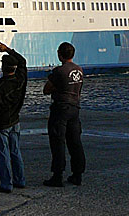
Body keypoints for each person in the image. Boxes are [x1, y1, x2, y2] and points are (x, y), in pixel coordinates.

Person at [0, 41, 28, 193]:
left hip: (0, 125)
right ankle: (20, 180)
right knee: (15, 152)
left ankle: (6, 184)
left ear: (3, 68)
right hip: (15, 121)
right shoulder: (21, 79)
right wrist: (8, 50)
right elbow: (22, 61)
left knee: (3, 155)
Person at [42, 42, 86, 187]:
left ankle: (57, 175)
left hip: (60, 108)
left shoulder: (59, 71)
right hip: (75, 108)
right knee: (75, 142)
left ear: (59, 54)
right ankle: (77, 174)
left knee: (58, 141)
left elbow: (46, 89)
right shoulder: (79, 70)